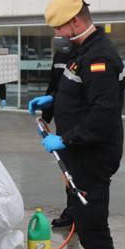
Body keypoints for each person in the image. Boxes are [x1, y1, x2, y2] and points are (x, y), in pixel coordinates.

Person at [26, 0, 124, 249]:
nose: (58, 34)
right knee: (84, 225)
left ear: (75, 21)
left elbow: (102, 116)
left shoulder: (100, 57)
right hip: (78, 156)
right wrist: (53, 100)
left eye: (59, 28)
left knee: (94, 229)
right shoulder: (81, 52)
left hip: (91, 158)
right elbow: (78, 93)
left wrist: (65, 139)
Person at [31, 44, 77, 229]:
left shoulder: (88, 54)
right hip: (64, 121)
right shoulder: (62, 53)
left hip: (82, 123)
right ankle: (72, 211)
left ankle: (80, 213)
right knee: (66, 169)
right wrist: (45, 117)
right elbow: (54, 85)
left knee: (80, 168)